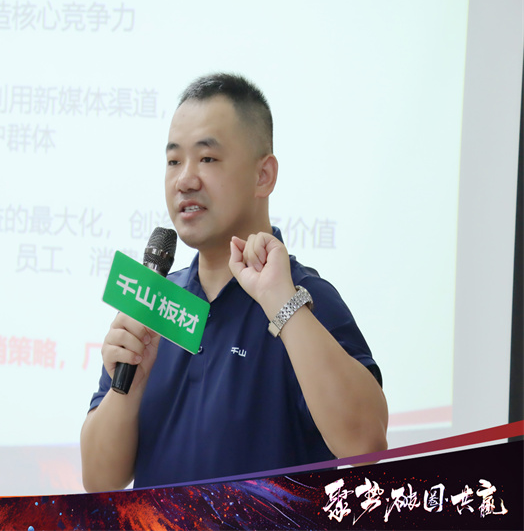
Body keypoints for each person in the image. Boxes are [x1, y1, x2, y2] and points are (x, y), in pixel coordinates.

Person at [80, 73, 388, 492]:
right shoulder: (154, 303)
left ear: (263, 175)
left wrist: (283, 305)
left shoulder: (305, 298)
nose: (185, 179)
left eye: (207, 158)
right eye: (174, 161)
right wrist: (127, 388)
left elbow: (366, 443)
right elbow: (100, 483)